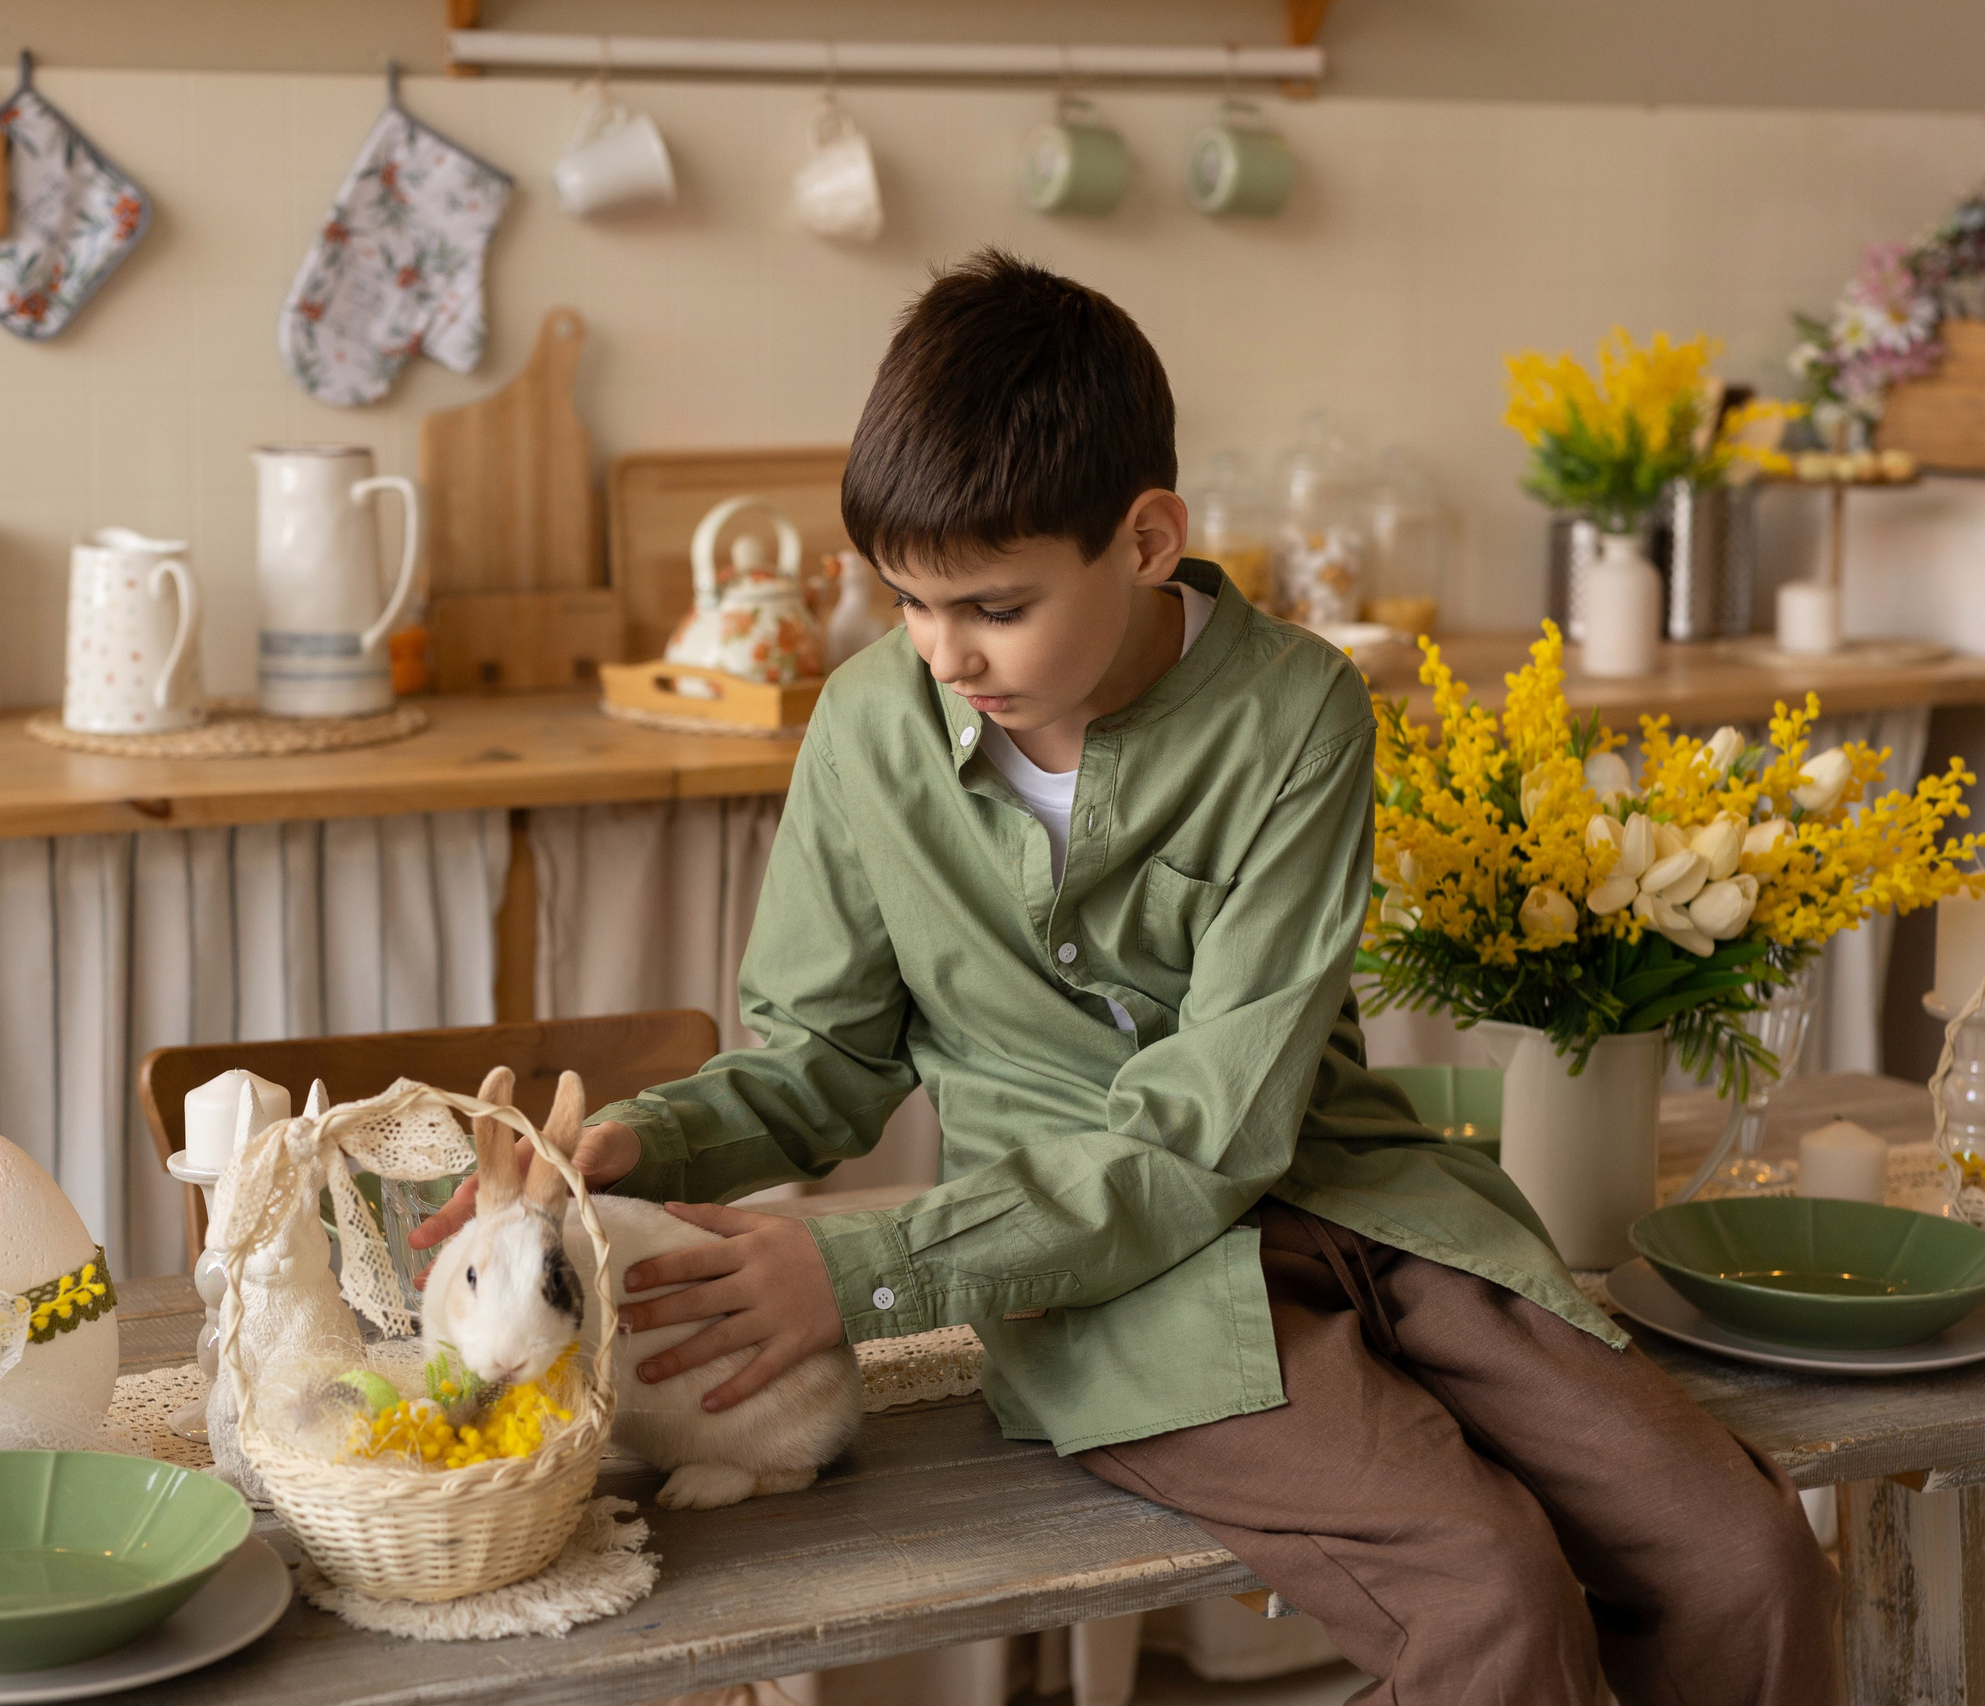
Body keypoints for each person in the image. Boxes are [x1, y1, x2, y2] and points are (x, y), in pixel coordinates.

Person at [415, 249, 1837, 1704]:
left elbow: (1217, 1127)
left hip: (1358, 1200)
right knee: (1489, 1589)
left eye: (995, 604)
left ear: (1148, 537)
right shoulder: (861, 729)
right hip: (1097, 1293)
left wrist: (866, 1267)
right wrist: (630, 1143)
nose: (944, 652)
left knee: (1745, 1555)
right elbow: (822, 1061)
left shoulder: (1299, 712)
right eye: (908, 600)